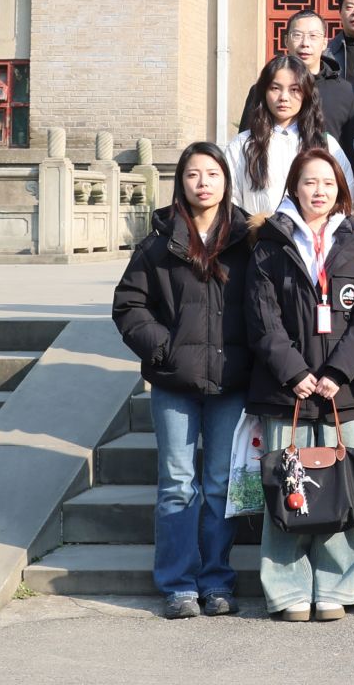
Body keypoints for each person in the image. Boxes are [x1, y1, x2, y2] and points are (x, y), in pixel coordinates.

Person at [111, 142, 255, 620]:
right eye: (193, 174)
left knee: (219, 483)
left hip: (231, 382)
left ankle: (216, 580)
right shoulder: (159, 243)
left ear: (226, 181)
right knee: (177, 482)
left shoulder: (248, 241)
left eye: (212, 174)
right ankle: (178, 584)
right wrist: (163, 349)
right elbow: (129, 305)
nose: (202, 183)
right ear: (181, 182)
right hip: (174, 382)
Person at [245, 147, 354, 622]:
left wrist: (337, 372)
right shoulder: (270, 242)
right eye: (309, 182)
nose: (318, 191)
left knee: (345, 488)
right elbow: (262, 317)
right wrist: (295, 372)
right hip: (287, 390)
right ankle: (287, 590)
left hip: (345, 391)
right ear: (293, 188)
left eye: (327, 183)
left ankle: (338, 587)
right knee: (290, 487)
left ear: (340, 188)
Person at [227, 54, 352, 217]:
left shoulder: (326, 145)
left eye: (294, 90)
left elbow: (345, 200)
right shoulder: (242, 144)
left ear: (306, 93)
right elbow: (230, 202)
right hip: (257, 232)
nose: (284, 98)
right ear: (264, 92)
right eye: (275, 88)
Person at [239, 9, 354, 169]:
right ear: (286, 40)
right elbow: (245, 145)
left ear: (324, 43)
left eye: (313, 36)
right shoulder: (263, 89)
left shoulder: (346, 93)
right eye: (297, 35)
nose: (305, 43)